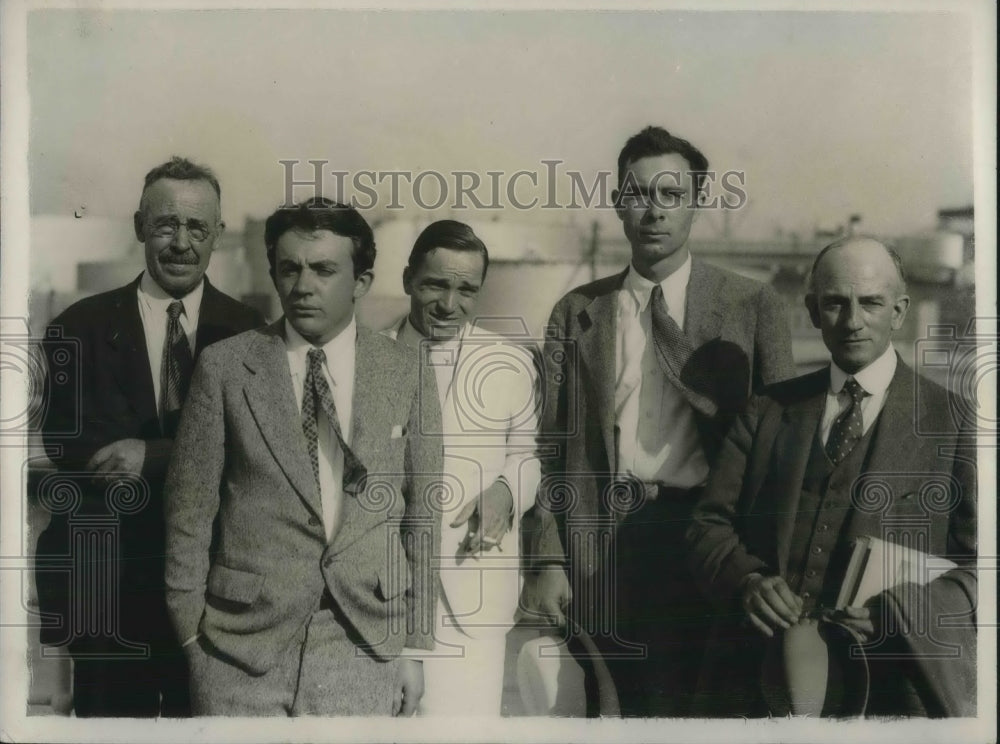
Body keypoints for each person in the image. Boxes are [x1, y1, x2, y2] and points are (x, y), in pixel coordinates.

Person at [523, 126, 795, 716]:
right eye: (638, 193)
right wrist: (547, 557)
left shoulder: (753, 307)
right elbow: (549, 442)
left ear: (696, 203)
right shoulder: (577, 311)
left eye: (671, 195)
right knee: (612, 704)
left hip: (707, 538)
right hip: (603, 540)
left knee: (709, 705)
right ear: (619, 203)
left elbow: (782, 451)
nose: (654, 210)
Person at [163, 197, 442, 716]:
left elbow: (422, 517)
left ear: (361, 281)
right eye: (289, 269)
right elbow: (188, 515)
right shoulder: (225, 368)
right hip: (239, 650)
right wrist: (191, 643)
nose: (303, 284)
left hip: (362, 643)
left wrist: (415, 646)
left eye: (323, 269)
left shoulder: (406, 372)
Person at [685, 237, 977, 717]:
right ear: (814, 311)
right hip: (757, 678)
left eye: (871, 303)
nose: (853, 321)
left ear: (900, 311)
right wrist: (748, 581)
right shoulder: (767, 410)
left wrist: (904, 612)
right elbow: (706, 526)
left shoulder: (953, 421)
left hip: (888, 685)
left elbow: (983, 566)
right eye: (836, 303)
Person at [34, 156, 264, 717]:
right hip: (109, 591)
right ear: (140, 227)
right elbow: (73, 446)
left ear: (218, 235)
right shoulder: (79, 326)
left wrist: (152, 454)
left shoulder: (250, 335)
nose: (181, 242)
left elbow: (255, 453)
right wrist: (195, 450)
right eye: (166, 225)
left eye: (196, 228)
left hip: (211, 595)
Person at [382, 220, 541, 716]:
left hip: (471, 596)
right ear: (408, 279)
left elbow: (530, 456)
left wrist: (506, 493)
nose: (449, 304)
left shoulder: (510, 362)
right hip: (382, 594)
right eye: (435, 284)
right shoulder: (365, 358)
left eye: (466, 289)